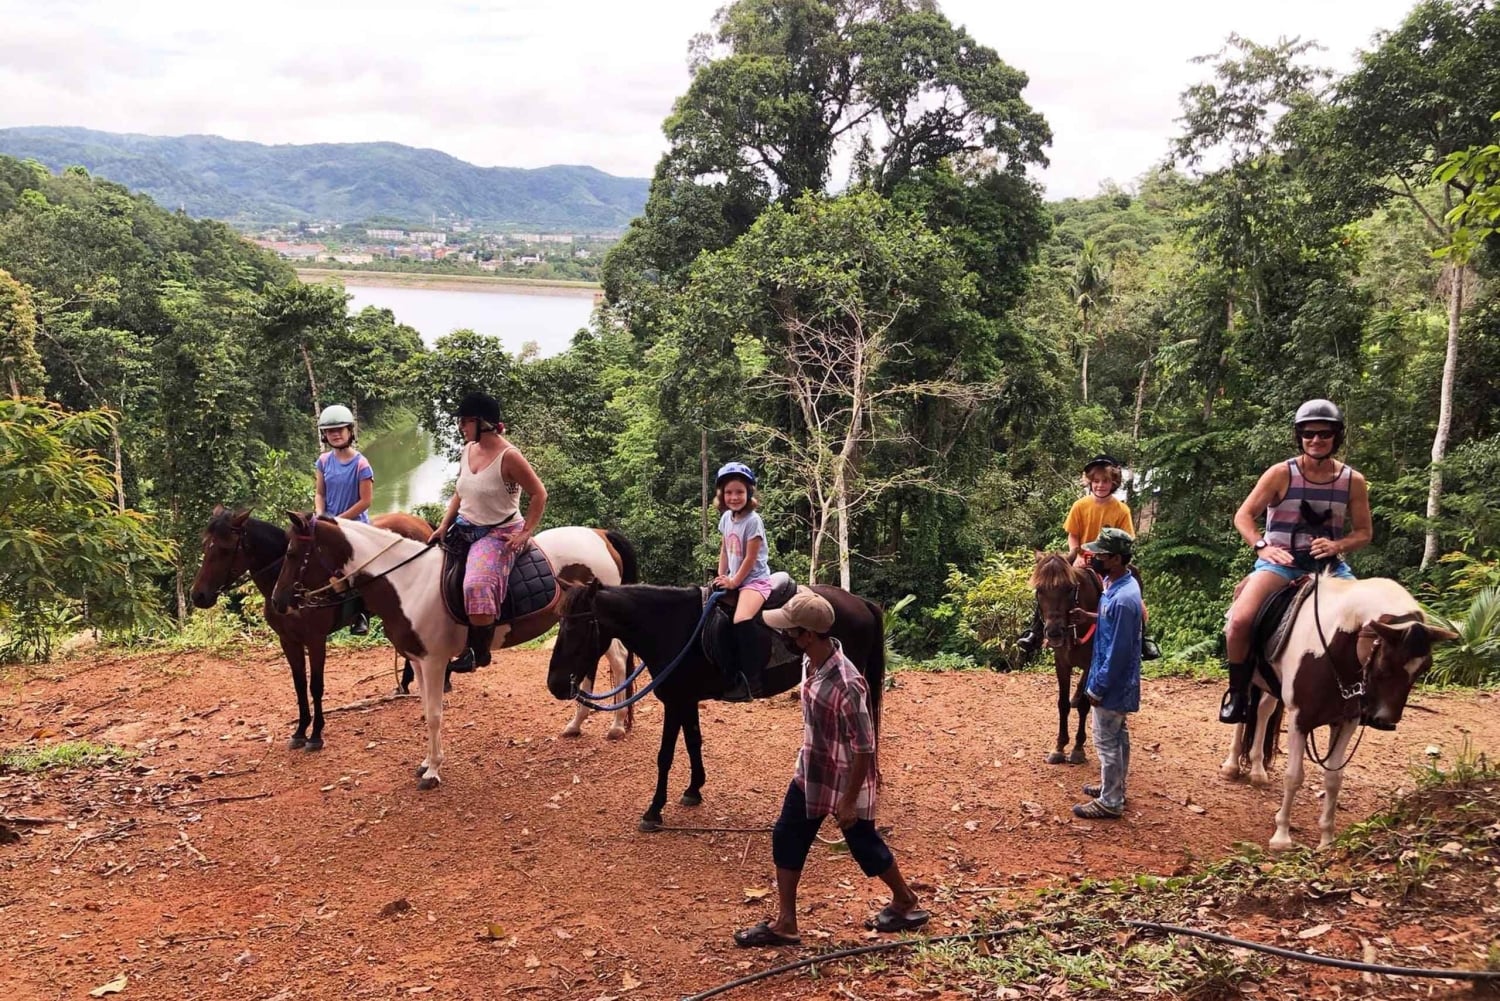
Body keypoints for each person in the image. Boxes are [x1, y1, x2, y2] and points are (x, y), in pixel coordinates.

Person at [732, 589, 928, 948]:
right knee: (786, 836)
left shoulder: (848, 683)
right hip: (813, 770)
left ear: (808, 635)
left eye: (790, 632)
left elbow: (865, 747)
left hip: (844, 777)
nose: (784, 637)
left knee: (864, 844)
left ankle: (905, 900)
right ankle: (786, 924)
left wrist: (850, 800)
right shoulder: (811, 662)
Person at [1218, 399, 1372, 724]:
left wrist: (1338, 544)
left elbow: (1363, 533)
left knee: (1370, 624)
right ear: (1299, 436)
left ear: (1336, 437)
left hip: (1329, 567)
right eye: (1309, 434)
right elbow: (1244, 516)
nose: (1316, 440)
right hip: (1282, 563)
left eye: (1324, 434)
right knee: (1239, 621)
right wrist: (1261, 546)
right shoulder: (1280, 473)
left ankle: (1364, 692)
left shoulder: (1352, 480)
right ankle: (1238, 691)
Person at [429, 392, 547, 672]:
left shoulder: (509, 457)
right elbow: (460, 491)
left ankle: (477, 651)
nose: (461, 427)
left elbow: (539, 494)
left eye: (465, 421)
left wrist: (525, 532)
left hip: (497, 533)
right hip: (464, 526)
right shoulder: (468, 449)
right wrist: (444, 525)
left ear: (483, 423)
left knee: (476, 586)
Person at [1018, 455, 1150, 656]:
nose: (1100, 485)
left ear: (1113, 482)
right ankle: (1035, 631)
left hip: (1108, 560)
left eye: (1105, 481)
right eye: (1096, 481)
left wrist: (1110, 558)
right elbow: (1073, 535)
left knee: (1135, 580)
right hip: (1082, 558)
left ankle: (1142, 638)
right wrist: (1076, 554)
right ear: (1090, 482)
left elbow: (1126, 539)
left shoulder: (1121, 510)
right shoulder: (1080, 505)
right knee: (1051, 586)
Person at [1068, 527, 1143, 820]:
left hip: (1112, 682)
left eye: (1100, 554)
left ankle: (1111, 801)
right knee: (1119, 736)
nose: (1093, 557)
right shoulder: (1116, 585)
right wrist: (1090, 617)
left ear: (1115, 558)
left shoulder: (1125, 598)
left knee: (1105, 741)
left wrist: (1097, 687)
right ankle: (1115, 787)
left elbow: (1119, 650)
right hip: (1114, 679)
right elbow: (1113, 619)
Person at [712, 462, 774, 702]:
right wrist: (721, 575)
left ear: (749, 493)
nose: (734, 497)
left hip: (755, 581)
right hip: (734, 579)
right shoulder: (727, 518)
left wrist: (735, 581)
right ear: (722, 495)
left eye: (739, 492)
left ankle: (752, 679)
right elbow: (725, 549)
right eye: (729, 492)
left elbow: (750, 557)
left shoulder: (753, 520)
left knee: (741, 619)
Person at [314, 404, 374, 635]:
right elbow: (320, 493)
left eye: (340, 429)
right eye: (330, 431)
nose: (335, 434)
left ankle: (360, 614)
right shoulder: (323, 461)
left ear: (350, 431)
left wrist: (339, 520)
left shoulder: (361, 464)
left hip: (354, 525)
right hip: (328, 522)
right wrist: (321, 514)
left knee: (355, 570)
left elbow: (365, 501)